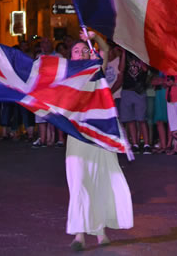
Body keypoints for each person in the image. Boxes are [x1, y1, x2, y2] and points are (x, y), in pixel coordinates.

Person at [66, 31, 133, 251]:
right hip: (77, 136)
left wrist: (94, 36)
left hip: (99, 135)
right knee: (78, 184)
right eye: (76, 51)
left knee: (99, 180)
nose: (80, 52)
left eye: (84, 49)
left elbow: (104, 50)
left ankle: (100, 232)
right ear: (71, 56)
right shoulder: (65, 77)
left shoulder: (96, 71)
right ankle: (79, 235)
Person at [119, 51, 151, 154]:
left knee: (141, 119)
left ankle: (146, 144)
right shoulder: (126, 54)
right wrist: (124, 53)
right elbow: (121, 69)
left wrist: (139, 55)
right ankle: (135, 144)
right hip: (127, 90)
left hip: (139, 90)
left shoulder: (142, 53)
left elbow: (145, 69)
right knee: (130, 120)